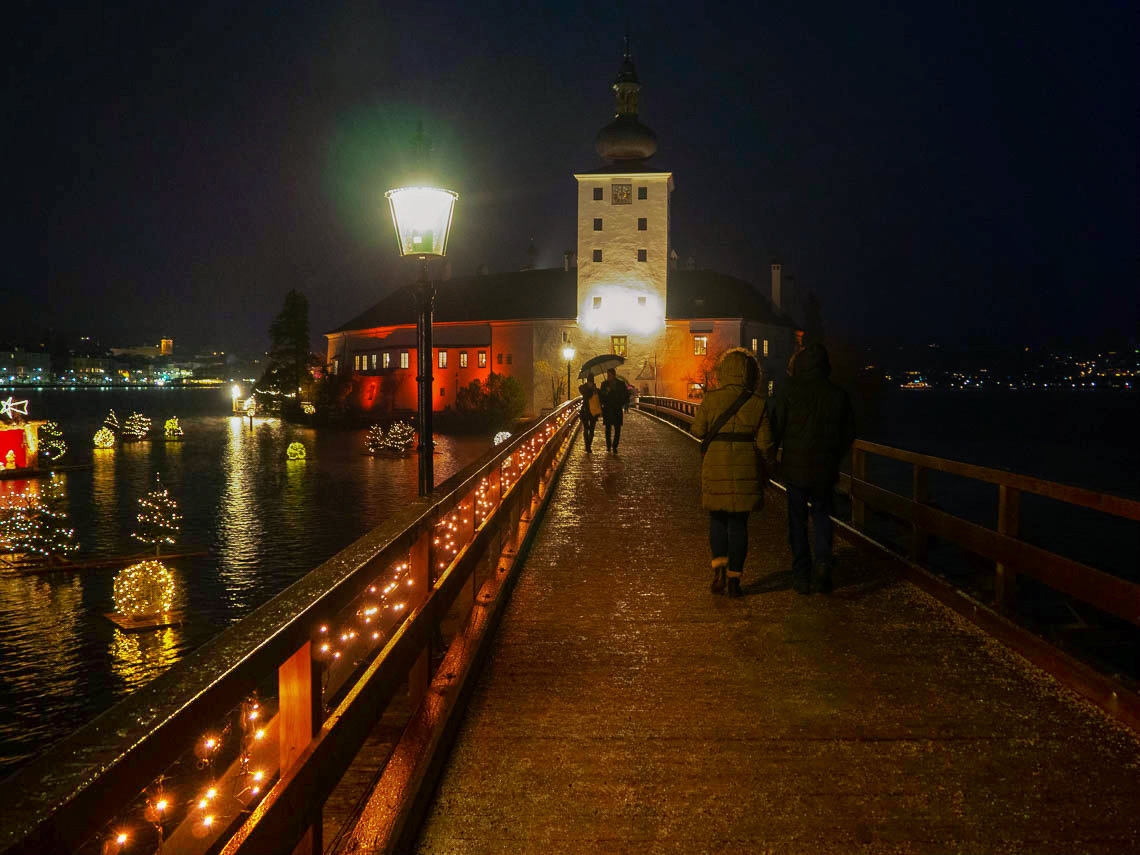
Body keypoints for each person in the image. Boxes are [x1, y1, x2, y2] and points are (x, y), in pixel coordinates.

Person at [770, 342, 855, 595]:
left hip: (795, 470)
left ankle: (801, 575)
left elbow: (776, 427)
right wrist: (835, 456)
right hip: (824, 469)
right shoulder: (837, 394)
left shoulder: (789, 392)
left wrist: (771, 458)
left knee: (797, 521)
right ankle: (823, 563)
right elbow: (848, 431)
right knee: (822, 516)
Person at [690, 349, 775, 597]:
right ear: (751, 373)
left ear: (723, 371)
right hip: (745, 467)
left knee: (717, 521)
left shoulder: (712, 398)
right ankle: (735, 579)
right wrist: (769, 467)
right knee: (739, 525)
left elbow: (697, 430)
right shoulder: (758, 403)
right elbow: (766, 444)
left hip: (715, 466)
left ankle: (718, 567)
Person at [600, 367, 630, 454]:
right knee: (607, 429)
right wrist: (606, 392)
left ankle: (615, 446)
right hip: (608, 409)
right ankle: (608, 445)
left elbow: (625, 395)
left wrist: (621, 403)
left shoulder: (620, 384)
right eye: (607, 375)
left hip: (617, 409)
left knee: (617, 429)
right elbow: (601, 397)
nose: (608, 376)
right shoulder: (604, 384)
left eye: (609, 375)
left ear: (613, 375)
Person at [578, 375, 601, 453]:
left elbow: (599, 398)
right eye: (589, 381)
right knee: (586, 428)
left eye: (591, 382)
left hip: (593, 412)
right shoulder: (583, 388)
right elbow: (586, 395)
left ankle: (589, 445)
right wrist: (591, 389)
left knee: (591, 429)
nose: (590, 383)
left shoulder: (596, 389)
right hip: (585, 411)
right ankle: (587, 445)